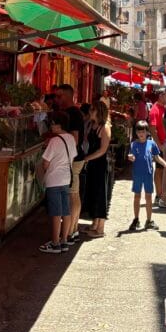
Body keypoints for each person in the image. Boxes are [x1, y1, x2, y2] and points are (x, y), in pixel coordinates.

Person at [39, 111, 78, 254]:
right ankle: (64, 241)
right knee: (65, 210)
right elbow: (72, 157)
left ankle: (55, 243)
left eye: (52, 123)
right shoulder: (71, 138)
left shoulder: (54, 141)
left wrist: (43, 172)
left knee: (55, 212)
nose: (51, 126)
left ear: (58, 125)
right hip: (66, 178)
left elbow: (45, 163)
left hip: (54, 179)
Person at [55, 84, 86, 244]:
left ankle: (72, 230)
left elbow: (74, 138)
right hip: (75, 158)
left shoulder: (72, 114)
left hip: (73, 159)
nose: (56, 99)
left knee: (72, 194)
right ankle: (73, 229)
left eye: (59, 96)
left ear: (68, 96)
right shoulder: (73, 113)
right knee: (74, 193)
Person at [127, 120, 166, 230]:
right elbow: (132, 156)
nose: (141, 134)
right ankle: (136, 219)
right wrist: (131, 157)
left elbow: (157, 157)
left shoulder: (152, 144)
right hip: (137, 175)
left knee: (148, 197)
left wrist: (165, 164)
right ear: (136, 133)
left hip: (148, 175)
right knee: (137, 196)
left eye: (143, 131)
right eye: (139, 132)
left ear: (147, 132)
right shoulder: (134, 144)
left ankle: (149, 220)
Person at [81, 98, 112, 237]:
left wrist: (87, 158)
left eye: (92, 109)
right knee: (92, 193)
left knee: (100, 194)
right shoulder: (92, 125)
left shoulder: (105, 127)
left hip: (100, 164)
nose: (90, 111)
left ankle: (100, 228)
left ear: (98, 111)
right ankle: (94, 223)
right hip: (92, 163)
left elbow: (103, 150)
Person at [147, 91, 166, 209]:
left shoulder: (164, 108)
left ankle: (161, 194)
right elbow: (152, 128)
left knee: (163, 169)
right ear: (161, 96)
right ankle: (159, 194)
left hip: (165, 143)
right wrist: (159, 144)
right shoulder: (155, 109)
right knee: (160, 169)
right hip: (160, 144)